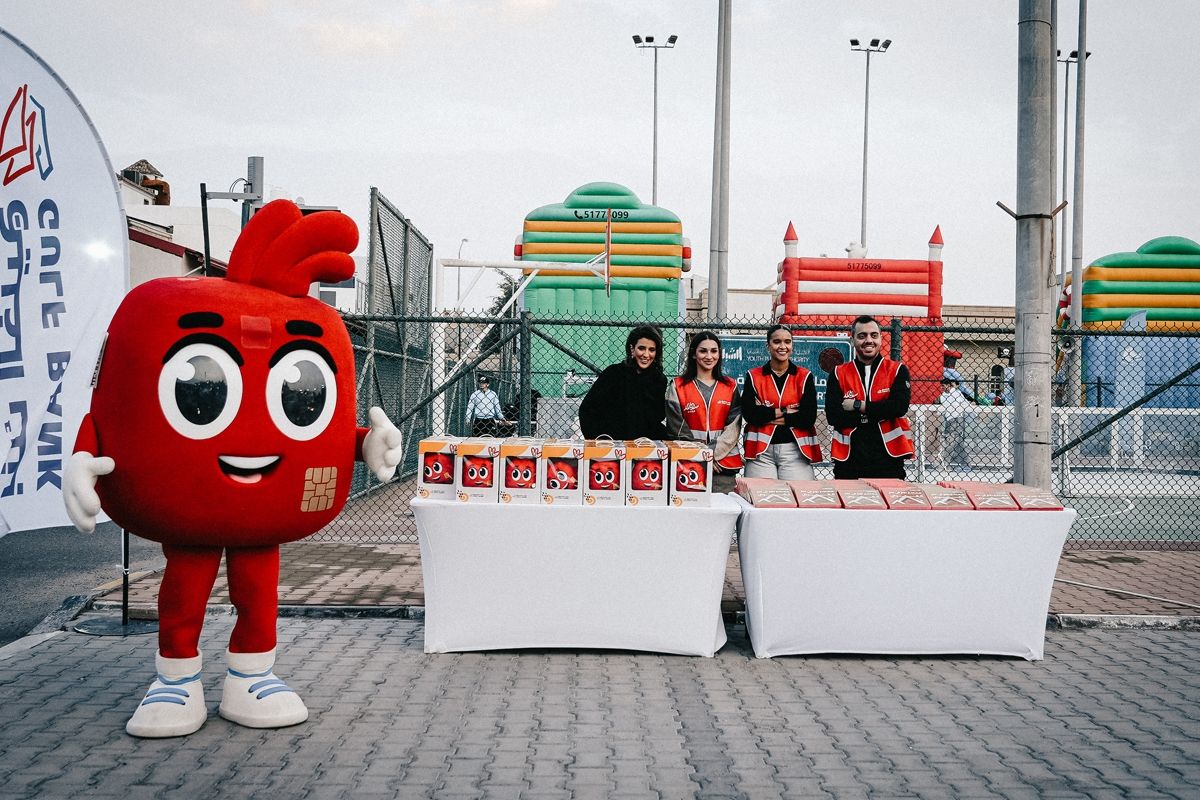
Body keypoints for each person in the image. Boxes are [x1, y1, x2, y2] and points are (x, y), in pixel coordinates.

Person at [825, 315, 914, 479]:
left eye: (874, 335)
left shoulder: (897, 370)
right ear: (852, 340)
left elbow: (898, 407)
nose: (868, 340)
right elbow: (833, 416)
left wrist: (859, 405)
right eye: (862, 336)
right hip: (849, 459)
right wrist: (879, 413)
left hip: (889, 459)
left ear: (881, 339)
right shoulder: (838, 373)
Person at [739, 325, 821, 480]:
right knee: (762, 494)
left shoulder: (804, 376)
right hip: (760, 453)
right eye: (777, 342)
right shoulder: (753, 376)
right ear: (768, 346)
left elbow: (808, 417)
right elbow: (750, 414)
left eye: (787, 342)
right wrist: (786, 411)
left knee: (799, 493)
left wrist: (766, 413)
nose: (782, 346)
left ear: (792, 346)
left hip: (796, 452)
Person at [665, 331, 744, 494]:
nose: (709, 356)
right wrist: (702, 456)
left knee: (723, 508)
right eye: (703, 351)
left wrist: (712, 454)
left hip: (722, 466)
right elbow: (677, 428)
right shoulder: (677, 386)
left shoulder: (731, 386)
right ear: (694, 354)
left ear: (719, 354)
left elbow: (733, 429)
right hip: (689, 463)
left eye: (714, 351)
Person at [579, 325, 669, 440]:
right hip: (612, 443)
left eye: (652, 350)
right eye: (641, 348)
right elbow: (587, 410)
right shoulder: (613, 373)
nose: (646, 355)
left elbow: (657, 417)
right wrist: (599, 441)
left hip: (644, 444)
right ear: (632, 349)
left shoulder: (659, 380)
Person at [938, 376, 971, 467]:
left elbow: (966, 404)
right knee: (958, 443)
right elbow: (943, 409)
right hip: (949, 420)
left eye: (943, 385)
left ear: (948, 385)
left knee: (951, 442)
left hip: (958, 419)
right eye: (941, 386)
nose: (942, 387)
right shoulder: (942, 396)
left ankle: (944, 461)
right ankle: (966, 464)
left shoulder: (957, 393)